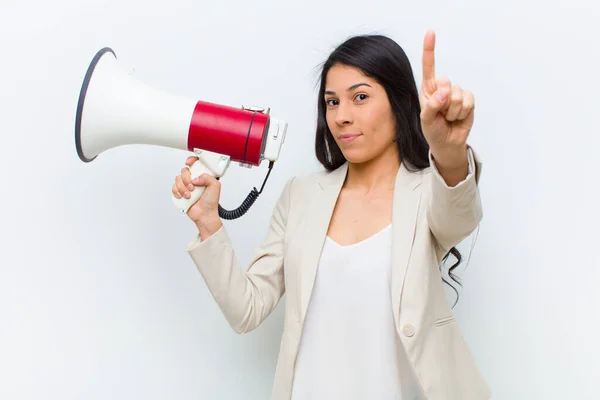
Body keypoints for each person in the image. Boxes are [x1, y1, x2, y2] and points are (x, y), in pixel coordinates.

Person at [172, 30, 491, 400]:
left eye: (360, 97)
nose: (341, 116)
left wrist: (449, 151)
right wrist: (208, 222)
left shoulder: (428, 191)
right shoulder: (301, 196)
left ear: (401, 102)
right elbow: (247, 309)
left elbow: (459, 217)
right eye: (332, 102)